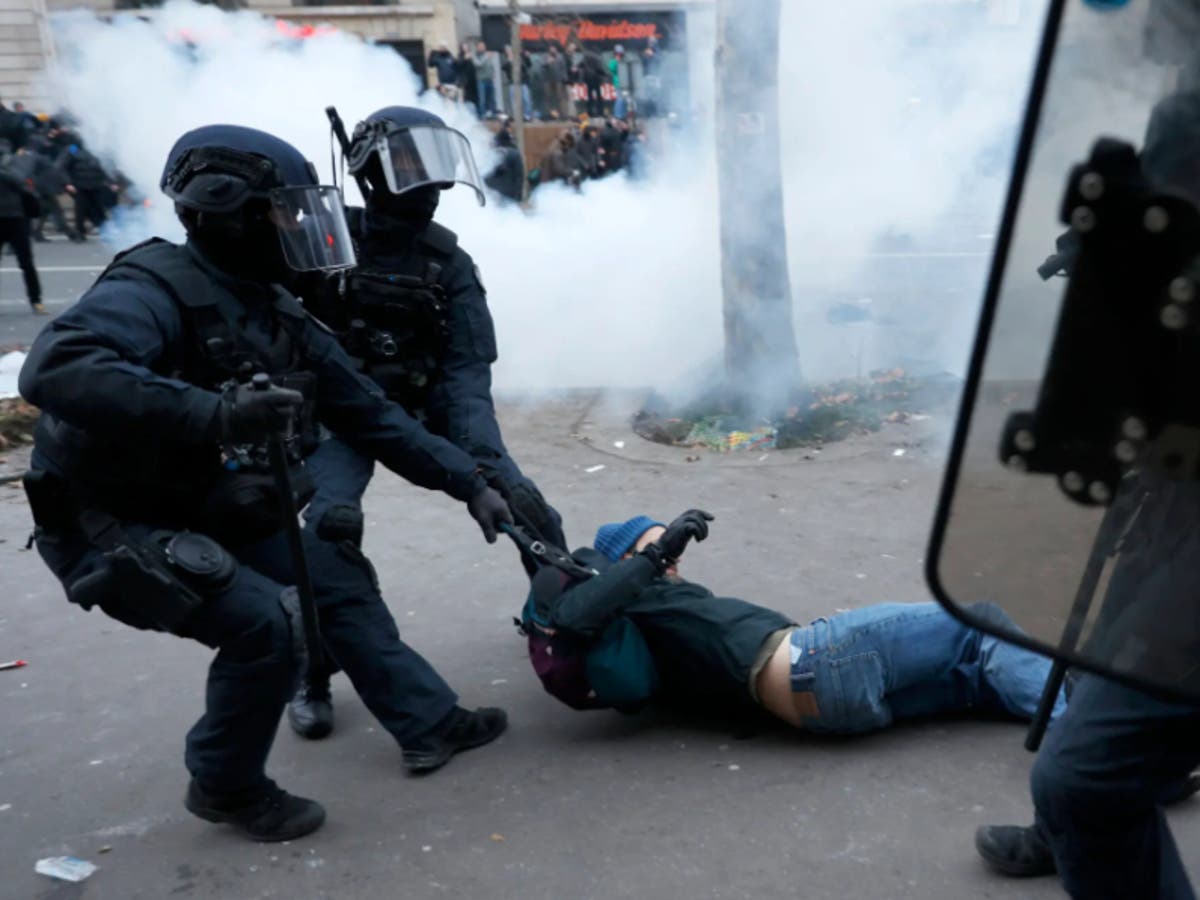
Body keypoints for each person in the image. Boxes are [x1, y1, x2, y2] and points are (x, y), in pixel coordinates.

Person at [18, 124, 513, 842]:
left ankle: (427, 722)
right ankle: (225, 784)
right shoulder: (151, 291)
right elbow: (53, 370)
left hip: (200, 501)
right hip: (109, 523)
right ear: (230, 213)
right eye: (287, 215)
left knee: (332, 574)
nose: (304, 232)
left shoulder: (271, 307)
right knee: (263, 625)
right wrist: (215, 415)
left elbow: (370, 415)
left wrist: (470, 481)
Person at [291, 106, 565, 738]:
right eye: (412, 170)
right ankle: (311, 673)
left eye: (435, 171)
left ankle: (568, 620)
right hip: (341, 414)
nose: (431, 188)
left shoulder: (450, 263)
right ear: (370, 176)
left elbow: (468, 372)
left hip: (426, 403)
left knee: (525, 506)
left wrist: (479, 459)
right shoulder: (324, 242)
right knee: (324, 533)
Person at [518, 512, 1068, 731]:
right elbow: (574, 614)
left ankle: (1093, 711)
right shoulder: (629, 599)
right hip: (819, 662)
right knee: (980, 620)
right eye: (655, 540)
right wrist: (654, 557)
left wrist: (655, 562)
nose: (673, 553)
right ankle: (1084, 754)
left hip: (826, 716)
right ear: (624, 560)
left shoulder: (656, 633)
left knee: (977, 678)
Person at [0, 139, 44, 314]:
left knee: (26, 263)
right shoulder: (15, 165)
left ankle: (36, 300)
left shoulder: (12, 167)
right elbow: (26, 189)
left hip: (14, 217)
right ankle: (36, 301)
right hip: (15, 218)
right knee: (27, 263)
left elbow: (22, 184)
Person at [56, 135, 117, 239]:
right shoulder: (73, 149)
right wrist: (68, 183)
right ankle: (80, 232)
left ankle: (104, 230)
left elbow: (104, 167)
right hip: (80, 185)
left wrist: (111, 182)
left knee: (98, 208)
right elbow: (61, 166)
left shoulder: (97, 149)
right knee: (80, 209)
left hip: (96, 184)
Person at [484, 121, 525, 204]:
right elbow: (519, 176)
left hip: (495, 194)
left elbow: (485, 175)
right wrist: (518, 196)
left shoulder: (490, 154)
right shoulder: (515, 154)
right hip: (510, 193)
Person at [473, 41, 497, 119]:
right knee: (482, 99)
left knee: (491, 98)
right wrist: (486, 57)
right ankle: (483, 115)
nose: (483, 47)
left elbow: (491, 66)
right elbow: (478, 64)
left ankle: (492, 114)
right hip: (481, 81)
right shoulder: (475, 56)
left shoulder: (486, 55)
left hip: (489, 80)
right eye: (481, 46)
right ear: (478, 47)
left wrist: (493, 75)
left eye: (484, 46)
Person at [544, 45, 568, 120]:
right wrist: (548, 62)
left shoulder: (560, 57)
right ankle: (550, 114)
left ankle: (562, 115)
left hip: (558, 80)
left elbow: (563, 68)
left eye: (554, 49)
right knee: (548, 97)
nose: (552, 51)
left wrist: (565, 79)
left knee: (560, 97)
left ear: (556, 50)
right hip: (548, 80)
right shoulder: (546, 57)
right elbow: (542, 67)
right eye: (551, 49)